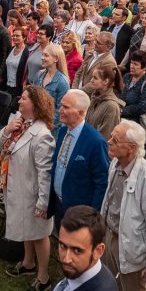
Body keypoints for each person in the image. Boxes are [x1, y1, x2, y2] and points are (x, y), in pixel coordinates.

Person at [0, 85, 56, 291]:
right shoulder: (20, 125)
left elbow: (45, 173)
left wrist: (42, 203)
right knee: (26, 229)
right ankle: (28, 263)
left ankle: (43, 277)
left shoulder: (42, 135)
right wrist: (8, 129)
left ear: (36, 105)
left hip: (32, 193)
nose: (19, 101)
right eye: (20, 98)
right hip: (16, 187)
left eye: (25, 99)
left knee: (39, 234)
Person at [100, 120, 146, 291]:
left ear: (131, 148)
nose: (109, 142)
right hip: (109, 237)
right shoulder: (115, 163)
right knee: (111, 287)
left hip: (131, 246)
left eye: (115, 140)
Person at [48, 90, 110, 229]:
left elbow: (101, 182)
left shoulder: (95, 141)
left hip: (79, 212)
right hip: (59, 204)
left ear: (81, 112)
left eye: (66, 107)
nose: (61, 110)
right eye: (61, 105)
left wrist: (92, 215)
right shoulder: (63, 131)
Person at [48, 205, 120, 291]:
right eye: (63, 246)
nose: (66, 259)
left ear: (98, 251)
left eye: (77, 250)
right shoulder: (81, 270)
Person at [33, 43, 71, 129]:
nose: (42, 58)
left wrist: (46, 125)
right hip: (35, 122)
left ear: (56, 59)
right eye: (42, 54)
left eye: (46, 55)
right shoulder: (40, 75)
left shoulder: (62, 82)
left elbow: (61, 109)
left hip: (49, 129)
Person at [120, 50, 146, 123]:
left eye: (135, 64)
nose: (131, 66)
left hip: (136, 123)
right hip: (121, 118)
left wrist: (122, 110)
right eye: (131, 63)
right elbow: (119, 93)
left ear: (145, 67)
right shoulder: (127, 76)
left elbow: (143, 106)